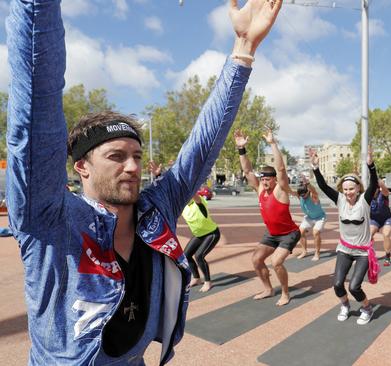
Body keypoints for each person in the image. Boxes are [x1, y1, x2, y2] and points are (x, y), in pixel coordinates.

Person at [5, 0, 282, 364]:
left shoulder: (154, 212)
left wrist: (243, 51)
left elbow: (201, 148)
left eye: (136, 156)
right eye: (116, 157)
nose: (133, 167)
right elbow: (35, 109)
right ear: (82, 167)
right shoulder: (50, 218)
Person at [310, 148, 379, 325]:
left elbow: (374, 184)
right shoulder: (340, 200)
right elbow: (324, 186)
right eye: (345, 189)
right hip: (345, 249)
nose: (348, 192)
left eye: (352, 189)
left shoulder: (365, 201)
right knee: (338, 284)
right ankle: (345, 305)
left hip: (362, 252)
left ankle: (367, 308)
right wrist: (316, 168)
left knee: (354, 286)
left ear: (358, 189)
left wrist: (371, 166)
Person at [236, 128, 300, 306]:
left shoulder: (281, 190)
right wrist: (241, 149)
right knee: (256, 260)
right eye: (262, 179)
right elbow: (248, 171)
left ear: (274, 180)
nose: (264, 182)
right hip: (272, 233)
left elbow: (280, 169)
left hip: (289, 233)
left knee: (276, 262)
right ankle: (268, 289)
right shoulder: (260, 190)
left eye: (267, 179)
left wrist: (272, 144)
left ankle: (285, 293)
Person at [182, 193, 221, 293]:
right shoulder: (184, 207)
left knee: (199, 256)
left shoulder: (199, 202)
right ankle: (197, 278)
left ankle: (208, 282)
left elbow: (195, 196)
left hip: (211, 234)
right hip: (199, 235)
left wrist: (189, 186)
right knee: (186, 255)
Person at [293, 177, 327, 261]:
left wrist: (308, 184)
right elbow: (289, 190)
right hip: (309, 217)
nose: (302, 197)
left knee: (315, 232)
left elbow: (314, 190)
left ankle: (317, 253)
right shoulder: (300, 196)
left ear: (308, 191)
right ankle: (304, 251)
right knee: (300, 232)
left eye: (304, 195)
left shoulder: (313, 196)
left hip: (320, 217)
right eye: (301, 195)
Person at [370, 178, 391, 266]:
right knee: (368, 235)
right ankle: (367, 255)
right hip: (375, 220)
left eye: (375, 188)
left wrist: (381, 183)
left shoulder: (383, 194)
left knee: (386, 234)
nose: (373, 191)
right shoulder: (367, 197)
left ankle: (387, 256)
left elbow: (386, 191)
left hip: (387, 218)